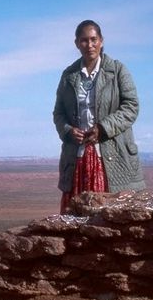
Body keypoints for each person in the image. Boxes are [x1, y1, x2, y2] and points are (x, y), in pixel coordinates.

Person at [53, 19, 145, 213]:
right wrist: (68, 131)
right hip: (77, 158)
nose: (90, 45)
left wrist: (103, 128)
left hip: (110, 156)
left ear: (101, 41)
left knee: (109, 218)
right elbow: (59, 112)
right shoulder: (68, 75)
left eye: (94, 39)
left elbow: (131, 107)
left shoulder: (117, 70)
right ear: (77, 43)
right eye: (84, 40)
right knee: (76, 219)